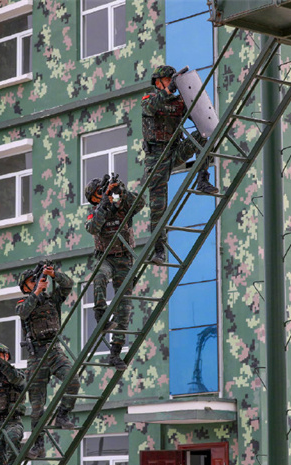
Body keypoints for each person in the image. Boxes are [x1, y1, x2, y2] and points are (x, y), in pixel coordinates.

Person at [142, 64, 218, 265]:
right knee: (158, 206)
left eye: (172, 80)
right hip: (156, 158)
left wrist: (189, 94)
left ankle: (203, 179)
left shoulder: (178, 103)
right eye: (168, 80)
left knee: (204, 134)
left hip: (174, 152)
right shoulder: (149, 99)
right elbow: (151, 108)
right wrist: (169, 90)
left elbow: (199, 116)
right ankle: (159, 250)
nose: (171, 83)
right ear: (159, 82)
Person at [16, 263, 80, 460]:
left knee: (73, 380)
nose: (35, 283)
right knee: (37, 407)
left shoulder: (52, 300)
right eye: (31, 282)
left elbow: (68, 285)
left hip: (54, 351)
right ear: (25, 287)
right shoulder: (23, 302)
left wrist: (54, 275)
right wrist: (36, 292)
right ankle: (38, 446)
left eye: (35, 280)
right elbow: (23, 313)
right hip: (36, 356)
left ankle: (63, 414)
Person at [84, 176, 145, 371]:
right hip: (106, 258)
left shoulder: (121, 205)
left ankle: (115, 353)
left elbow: (140, 203)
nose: (104, 193)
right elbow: (93, 228)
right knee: (99, 277)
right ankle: (100, 314)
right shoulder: (95, 212)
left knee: (124, 308)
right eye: (99, 193)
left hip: (124, 260)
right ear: (93, 198)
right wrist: (104, 203)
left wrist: (121, 191)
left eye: (104, 190)